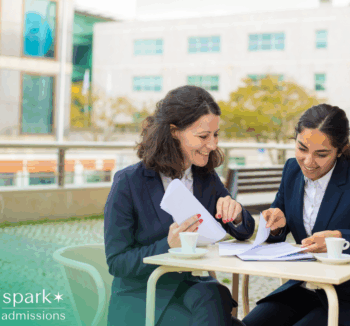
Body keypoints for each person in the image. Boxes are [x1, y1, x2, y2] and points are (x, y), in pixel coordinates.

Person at [242, 104, 350, 326]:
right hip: (300, 290)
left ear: (340, 150)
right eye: (302, 148)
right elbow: (275, 235)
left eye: (321, 154)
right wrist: (275, 226)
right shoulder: (292, 170)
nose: (308, 162)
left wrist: (339, 239)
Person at [104, 85, 254, 326]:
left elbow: (244, 230)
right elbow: (117, 262)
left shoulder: (206, 178)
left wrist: (235, 214)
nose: (213, 144)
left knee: (215, 292)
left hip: (192, 290)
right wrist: (167, 245)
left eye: (215, 135)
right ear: (174, 132)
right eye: (203, 136)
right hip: (144, 297)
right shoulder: (129, 182)